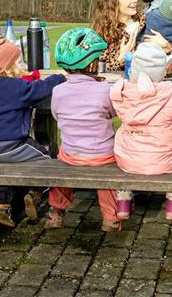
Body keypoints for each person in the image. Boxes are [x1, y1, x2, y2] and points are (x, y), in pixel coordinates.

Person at [0, 38, 66, 227]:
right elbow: (39, 89)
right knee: (47, 158)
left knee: (3, 169)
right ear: (9, 68)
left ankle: (2, 206)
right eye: (19, 61)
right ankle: (34, 193)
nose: (23, 64)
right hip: (13, 144)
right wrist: (58, 77)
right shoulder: (17, 87)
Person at [110, 43, 172, 221]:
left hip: (127, 158)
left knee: (125, 166)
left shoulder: (123, 92)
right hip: (164, 160)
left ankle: (123, 202)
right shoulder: (170, 94)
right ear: (163, 71)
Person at [47, 28, 120, 232]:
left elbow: (56, 115)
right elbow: (113, 112)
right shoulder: (105, 90)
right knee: (108, 180)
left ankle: (55, 212)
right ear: (93, 64)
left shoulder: (58, 91)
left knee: (63, 172)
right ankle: (110, 218)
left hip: (71, 154)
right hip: (103, 156)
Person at [91, 0, 145, 72]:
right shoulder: (102, 33)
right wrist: (120, 59)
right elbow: (95, 70)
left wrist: (168, 47)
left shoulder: (147, 23)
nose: (135, 0)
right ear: (114, 3)